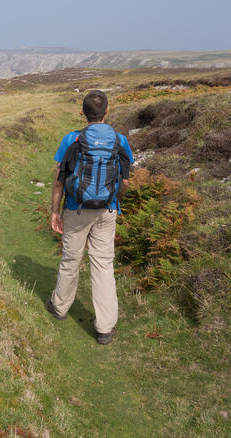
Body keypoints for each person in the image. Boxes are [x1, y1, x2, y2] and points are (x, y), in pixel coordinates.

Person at [44, 90, 134, 345]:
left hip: (76, 209)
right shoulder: (120, 140)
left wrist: (54, 211)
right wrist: (114, 199)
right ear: (107, 111)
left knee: (71, 259)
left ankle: (59, 308)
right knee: (103, 264)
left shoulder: (71, 139)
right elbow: (125, 181)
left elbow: (59, 181)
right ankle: (105, 328)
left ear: (82, 112)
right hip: (107, 210)